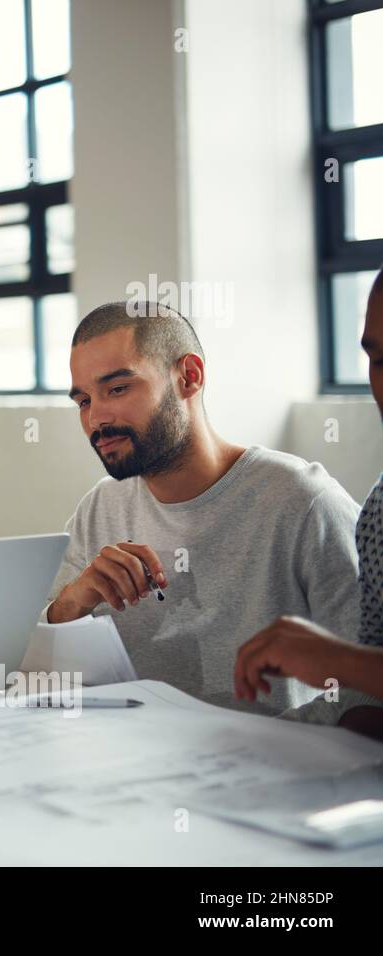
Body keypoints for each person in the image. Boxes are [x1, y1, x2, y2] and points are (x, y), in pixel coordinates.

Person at [47, 300, 360, 716]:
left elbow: (370, 685)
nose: (96, 418)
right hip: (123, 763)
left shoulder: (302, 502)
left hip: (268, 769)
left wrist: (276, 744)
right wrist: (75, 600)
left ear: (189, 377)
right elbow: (38, 657)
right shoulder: (101, 507)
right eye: (83, 401)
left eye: (118, 388)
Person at [235, 266, 383, 737]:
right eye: (378, 360)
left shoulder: (305, 499)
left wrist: (340, 661)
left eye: (117, 388)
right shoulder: (380, 509)